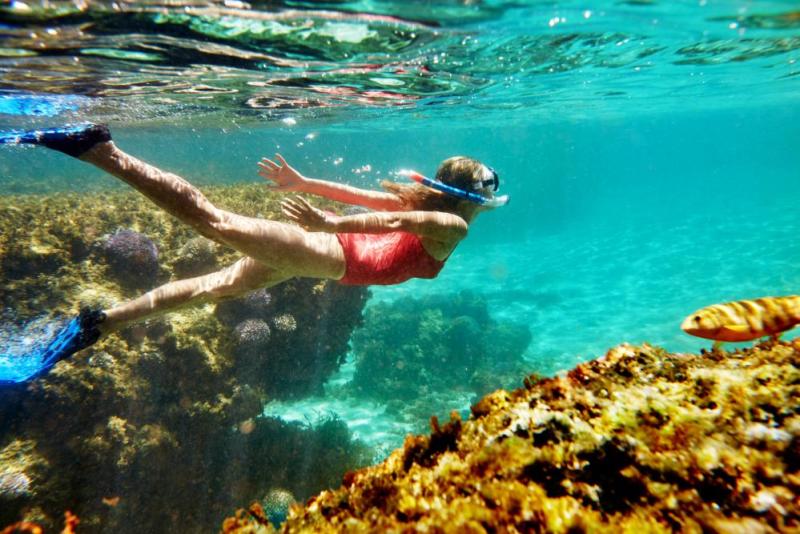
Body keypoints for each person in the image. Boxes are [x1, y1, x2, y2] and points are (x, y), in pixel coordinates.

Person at [0, 124, 506, 382]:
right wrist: (329, 222)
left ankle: (101, 323)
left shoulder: (432, 204)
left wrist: (306, 183)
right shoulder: (449, 225)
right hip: (327, 251)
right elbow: (394, 219)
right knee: (213, 220)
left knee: (216, 286)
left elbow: (367, 198)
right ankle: (101, 150)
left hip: (320, 256)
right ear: (476, 199)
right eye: (489, 190)